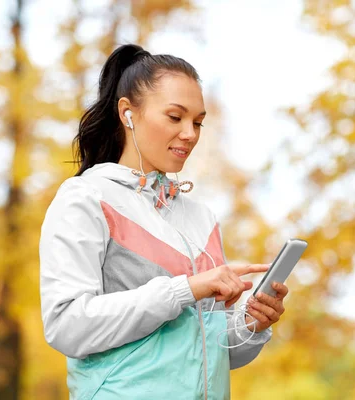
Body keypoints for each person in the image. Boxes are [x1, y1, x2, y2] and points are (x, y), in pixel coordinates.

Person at [39, 43, 289, 400]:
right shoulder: (85, 198)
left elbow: (208, 351)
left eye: (198, 122)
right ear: (127, 113)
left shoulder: (201, 218)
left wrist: (252, 322)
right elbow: (67, 326)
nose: (190, 133)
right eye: (175, 117)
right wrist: (186, 288)